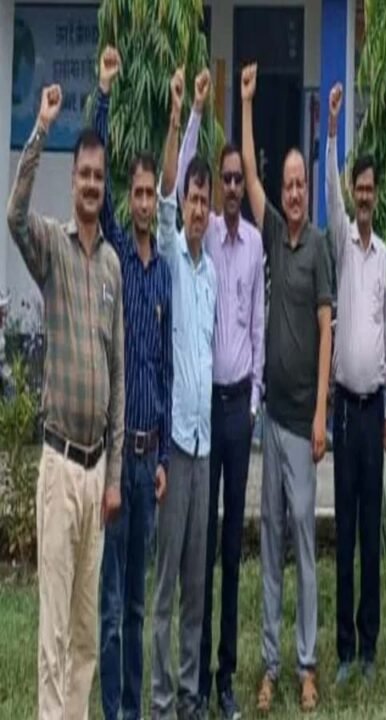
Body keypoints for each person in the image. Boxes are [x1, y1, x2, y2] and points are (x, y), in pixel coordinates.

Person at [7, 83, 124, 720]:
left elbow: (119, 375)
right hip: (57, 468)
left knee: (83, 634)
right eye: (84, 175)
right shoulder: (51, 246)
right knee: (52, 633)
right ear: (72, 179)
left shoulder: (111, 268)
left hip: (95, 471)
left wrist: (114, 476)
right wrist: (41, 128)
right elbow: (13, 218)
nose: (91, 185)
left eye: (98, 177)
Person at [241, 63, 333, 713]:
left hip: (304, 423)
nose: (295, 193)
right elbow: (248, 173)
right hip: (270, 418)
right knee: (271, 541)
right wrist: (246, 104)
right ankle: (271, 665)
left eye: (301, 186)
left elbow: (327, 329)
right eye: (289, 185)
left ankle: (306, 663)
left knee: (303, 540)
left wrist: (323, 412)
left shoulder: (320, 246)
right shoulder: (273, 233)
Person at [177, 67, 265, 720]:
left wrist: (255, 403)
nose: (230, 189)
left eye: (236, 180)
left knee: (232, 550)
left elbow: (257, 328)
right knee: (200, 552)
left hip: (239, 413)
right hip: (203, 414)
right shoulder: (201, 239)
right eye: (223, 181)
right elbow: (183, 183)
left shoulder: (255, 244)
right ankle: (195, 678)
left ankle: (225, 678)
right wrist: (196, 112)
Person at [93, 46, 173, 720]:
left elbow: (165, 370)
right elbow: (99, 188)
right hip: (118, 461)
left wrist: (165, 455)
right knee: (113, 604)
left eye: (152, 194)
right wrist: (104, 93)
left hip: (151, 464)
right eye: (139, 193)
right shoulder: (119, 253)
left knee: (140, 603)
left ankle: (135, 712)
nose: (145, 202)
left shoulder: (163, 272)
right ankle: (116, 711)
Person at [151, 67, 218, 720]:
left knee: (198, 583)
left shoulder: (212, 274)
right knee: (167, 584)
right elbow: (165, 200)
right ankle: (163, 698)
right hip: (173, 445)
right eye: (193, 200)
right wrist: (184, 114)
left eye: (204, 202)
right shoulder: (172, 255)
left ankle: (193, 696)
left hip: (204, 447)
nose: (196, 210)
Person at [326, 82, 386, 683]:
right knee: (345, 533)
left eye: (372, 189)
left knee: (371, 534)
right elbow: (327, 191)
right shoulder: (344, 243)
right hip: (344, 409)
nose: (366, 196)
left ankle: (370, 647)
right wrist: (331, 130)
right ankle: (345, 649)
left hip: (375, 411)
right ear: (353, 192)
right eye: (360, 189)